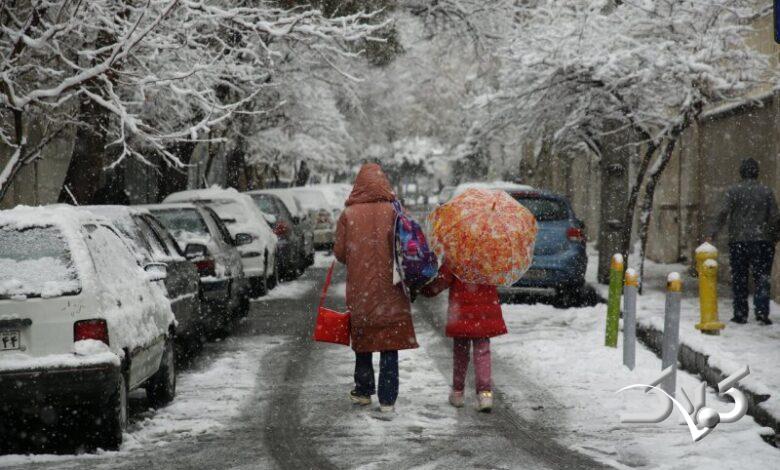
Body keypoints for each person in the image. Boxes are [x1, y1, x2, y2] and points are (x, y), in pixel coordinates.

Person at [333, 163, 418, 413]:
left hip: (361, 289)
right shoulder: (394, 211)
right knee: (389, 340)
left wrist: (358, 256)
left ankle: (363, 390)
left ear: (358, 185)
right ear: (384, 183)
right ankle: (388, 399)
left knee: (363, 336)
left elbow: (340, 253)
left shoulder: (349, 214)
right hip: (392, 287)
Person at [420, 261, 508, 412]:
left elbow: (441, 281)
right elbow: (500, 276)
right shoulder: (490, 254)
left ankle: (458, 393)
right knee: (482, 352)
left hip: (461, 312)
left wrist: (425, 290)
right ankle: (485, 394)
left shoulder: (456, 255)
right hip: (484, 312)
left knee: (460, 354)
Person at [707, 158, 779, 325]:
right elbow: (775, 217)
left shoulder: (733, 191)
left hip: (739, 240)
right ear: (756, 172)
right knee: (762, 277)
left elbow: (722, 212)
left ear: (741, 172)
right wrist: (774, 236)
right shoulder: (766, 191)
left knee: (740, 277)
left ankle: (740, 313)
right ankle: (761, 312)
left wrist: (712, 233)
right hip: (762, 241)